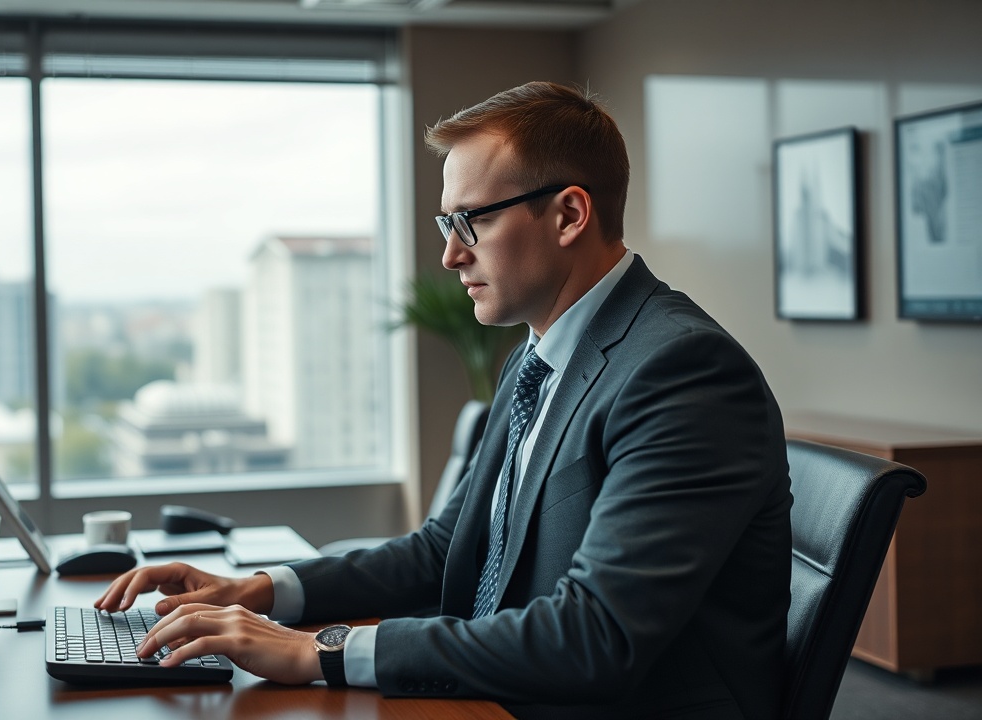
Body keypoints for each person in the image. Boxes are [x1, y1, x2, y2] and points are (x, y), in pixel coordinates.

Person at [95, 81, 793, 719]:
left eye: (471, 222)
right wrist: (260, 591)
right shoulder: (537, 358)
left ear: (569, 215)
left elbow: (595, 635)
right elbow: (443, 551)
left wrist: (321, 651)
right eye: (445, 226)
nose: (451, 256)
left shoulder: (682, 370)